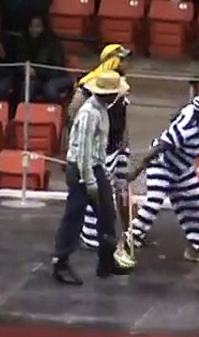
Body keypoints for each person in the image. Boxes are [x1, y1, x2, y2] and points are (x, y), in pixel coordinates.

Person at [51, 71, 132, 286]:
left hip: (95, 166)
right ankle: (61, 262)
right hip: (81, 169)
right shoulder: (89, 114)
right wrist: (90, 181)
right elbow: (84, 151)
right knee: (74, 215)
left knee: (107, 213)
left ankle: (106, 260)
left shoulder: (102, 110)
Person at [121, 95, 199, 265]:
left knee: (195, 206)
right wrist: (136, 170)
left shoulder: (192, 112)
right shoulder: (185, 130)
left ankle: (195, 248)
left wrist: (174, 117)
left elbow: (184, 107)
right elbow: (160, 147)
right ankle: (128, 240)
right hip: (162, 164)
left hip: (182, 168)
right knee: (154, 202)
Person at [71, 44, 135, 252]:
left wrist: (125, 139)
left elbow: (123, 113)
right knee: (98, 190)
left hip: (117, 143)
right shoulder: (91, 84)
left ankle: (123, 233)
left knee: (119, 188)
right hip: (102, 149)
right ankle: (90, 237)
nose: (126, 63)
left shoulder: (119, 84)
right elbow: (74, 111)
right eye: (122, 59)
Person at [17, 15, 72, 103]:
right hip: (35, 79)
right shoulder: (24, 41)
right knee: (27, 89)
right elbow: (19, 61)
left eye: (37, 26)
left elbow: (57, 69)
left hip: (55, 77)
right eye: (31, 26)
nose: (34, 29)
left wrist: (36, 72)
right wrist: (24, 69)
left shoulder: (53, 42)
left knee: (50, 90)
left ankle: (58, 114)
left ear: (44, 27)